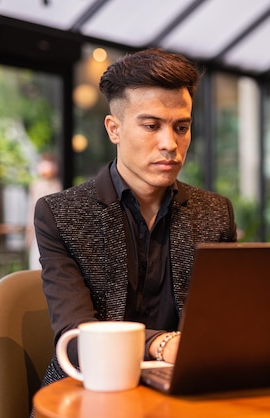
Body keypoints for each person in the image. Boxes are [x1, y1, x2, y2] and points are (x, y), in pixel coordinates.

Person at [34, 48, 237, 387]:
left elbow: (228, 321)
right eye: (151, 125)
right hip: (89, 386)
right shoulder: (60, 214)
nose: (169, 143)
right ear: (114, 129)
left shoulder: (215, 214)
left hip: (188, 388)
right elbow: (76, 338)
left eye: (181, 127)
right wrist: (161, 344)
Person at [25, 154, 62, 270]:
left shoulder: (58, 184)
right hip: (38, 228)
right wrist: (29, 232)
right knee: (36, 264)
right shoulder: (36, 185)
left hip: (53, 230)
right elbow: (32, 209)